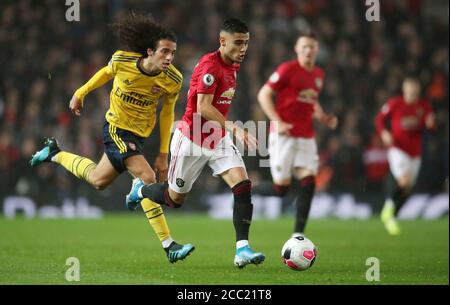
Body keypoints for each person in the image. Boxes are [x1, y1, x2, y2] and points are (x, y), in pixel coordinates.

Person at [29, 13, 194, 263]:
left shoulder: (173, 79)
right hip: (116, 128)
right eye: (164, 52)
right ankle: (168, 244)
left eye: (173, 52)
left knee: (98, 180)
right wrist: (80, 92)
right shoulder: (122, 60)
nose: (170, 58)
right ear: (150, 51)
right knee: (148, 178)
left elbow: (167, 114)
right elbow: (105, 74)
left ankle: (54, 153)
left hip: (140, 135)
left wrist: (163, 153)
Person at [126, 18, 265, 268]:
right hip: (191, 138)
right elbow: (202, 107)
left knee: (243, 184)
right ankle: (141, 190)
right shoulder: (210, 66)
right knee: (173, 199)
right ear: (223, 42)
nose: (243, 48)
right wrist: (234, 128)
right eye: (238, 43)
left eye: (246, 43)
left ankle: (242, 248)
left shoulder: (233, 64)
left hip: (216, 138)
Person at [253, 31, 337, 238]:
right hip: (284, 136)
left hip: (306, 136)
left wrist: (322, 116)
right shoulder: (287, 69)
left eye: (312, 47)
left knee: (309, 181)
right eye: (304, 47)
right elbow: (263, 94)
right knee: (281, 189)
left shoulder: (318, 74)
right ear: (297, 49)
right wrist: (277, 121)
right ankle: (246, 189)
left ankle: (298, 234)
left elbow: (311, 99)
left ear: (317, 50)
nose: (308, 50)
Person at [375, 77, 436, 235]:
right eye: (409, 87)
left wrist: (430, 125)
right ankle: (388, 209)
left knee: (407, 189)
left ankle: (391, 218)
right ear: (404, 89)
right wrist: (384, 133)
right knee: (405, 180)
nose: (412, 90)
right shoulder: (395, 103)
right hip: (397, 149)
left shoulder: (424, 106)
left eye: (415, 87)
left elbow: (431, 128)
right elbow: (380, 119)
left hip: (415, 153)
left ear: (418, 89)